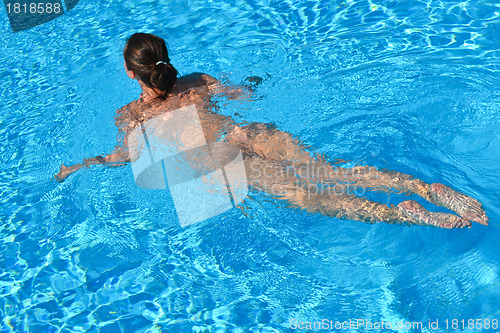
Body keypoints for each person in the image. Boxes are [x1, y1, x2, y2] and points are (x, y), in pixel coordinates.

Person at [54, 33, 489, 229]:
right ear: (166, 61)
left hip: (230, 159)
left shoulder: (131, 115)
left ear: (132, 74)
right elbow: (243, 96)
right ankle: (425, 187)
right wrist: (255, 84)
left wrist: (78, 166)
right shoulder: (198, 81)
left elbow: (123, 157)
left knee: (312, 198)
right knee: (331, 172)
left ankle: (404, 214)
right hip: (251, 133)